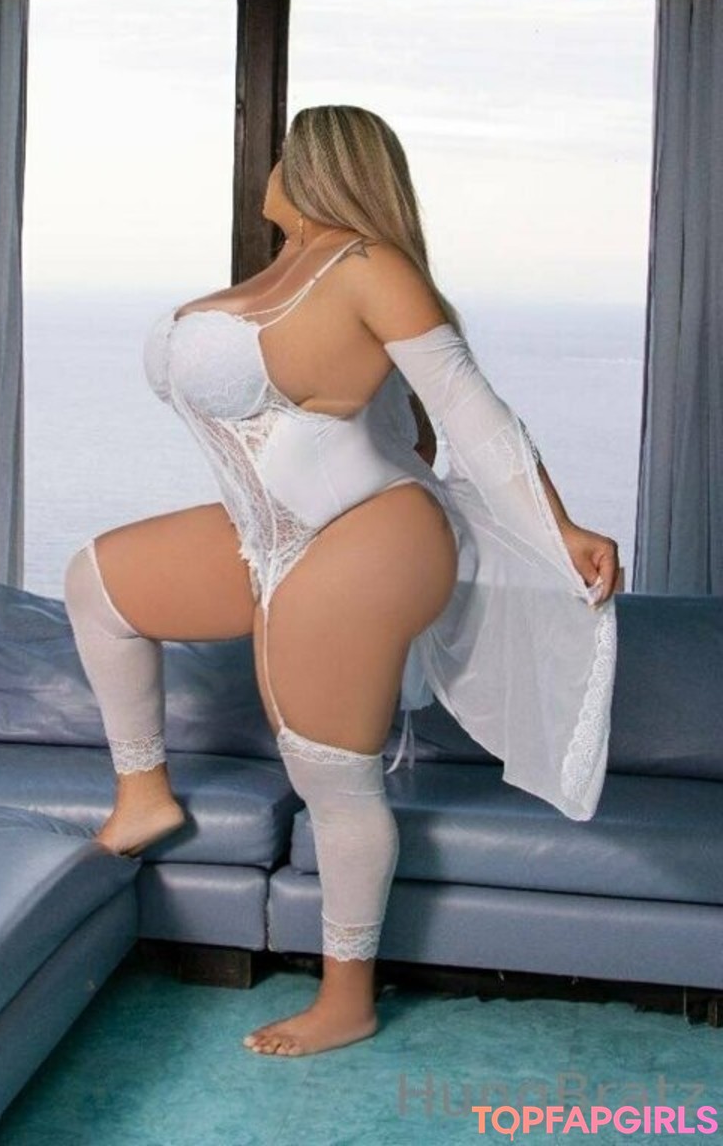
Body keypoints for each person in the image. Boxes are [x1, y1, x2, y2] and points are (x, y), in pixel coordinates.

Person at [62, 104, 620, 1059]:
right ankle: (144, 793)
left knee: (326, 765)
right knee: (99, 584)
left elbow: (472, 413)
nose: (270, 170)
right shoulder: (287, 271)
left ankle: (347, 997)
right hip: (267, 534)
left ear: (314, 164)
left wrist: (557, 526)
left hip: (376, 531)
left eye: (283, 153)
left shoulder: (368, 265)